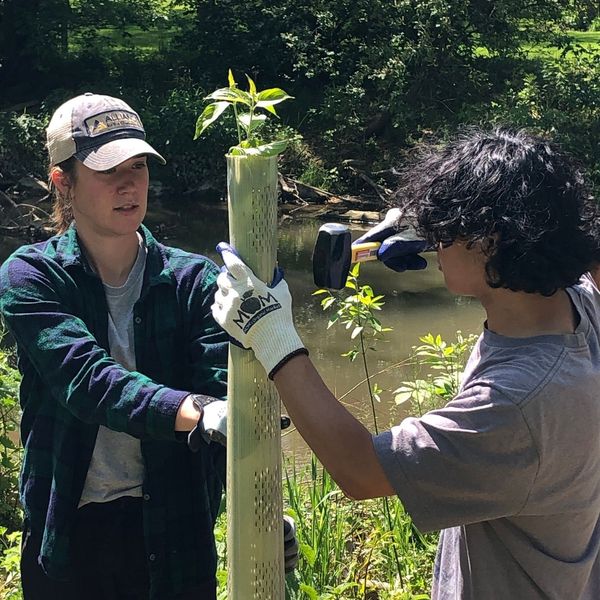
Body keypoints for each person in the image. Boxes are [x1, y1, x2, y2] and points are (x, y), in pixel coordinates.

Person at [211, 127, 600, 599]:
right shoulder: (577, 308)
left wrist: (273, 336)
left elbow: (362, 470)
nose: (434, 239)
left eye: (445, 228)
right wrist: (428, 224)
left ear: (488, 241)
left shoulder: (519, 405)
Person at [0, 92, 296, 600]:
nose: (129, 183)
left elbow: (229, 395)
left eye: (138, 165)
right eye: (107, 168)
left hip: (175, 532)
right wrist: (198, 411)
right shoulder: (31, 276)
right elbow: (88, 381)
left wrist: (260, 509)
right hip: (68, 533)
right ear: (62, 182)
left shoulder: (197, 282)